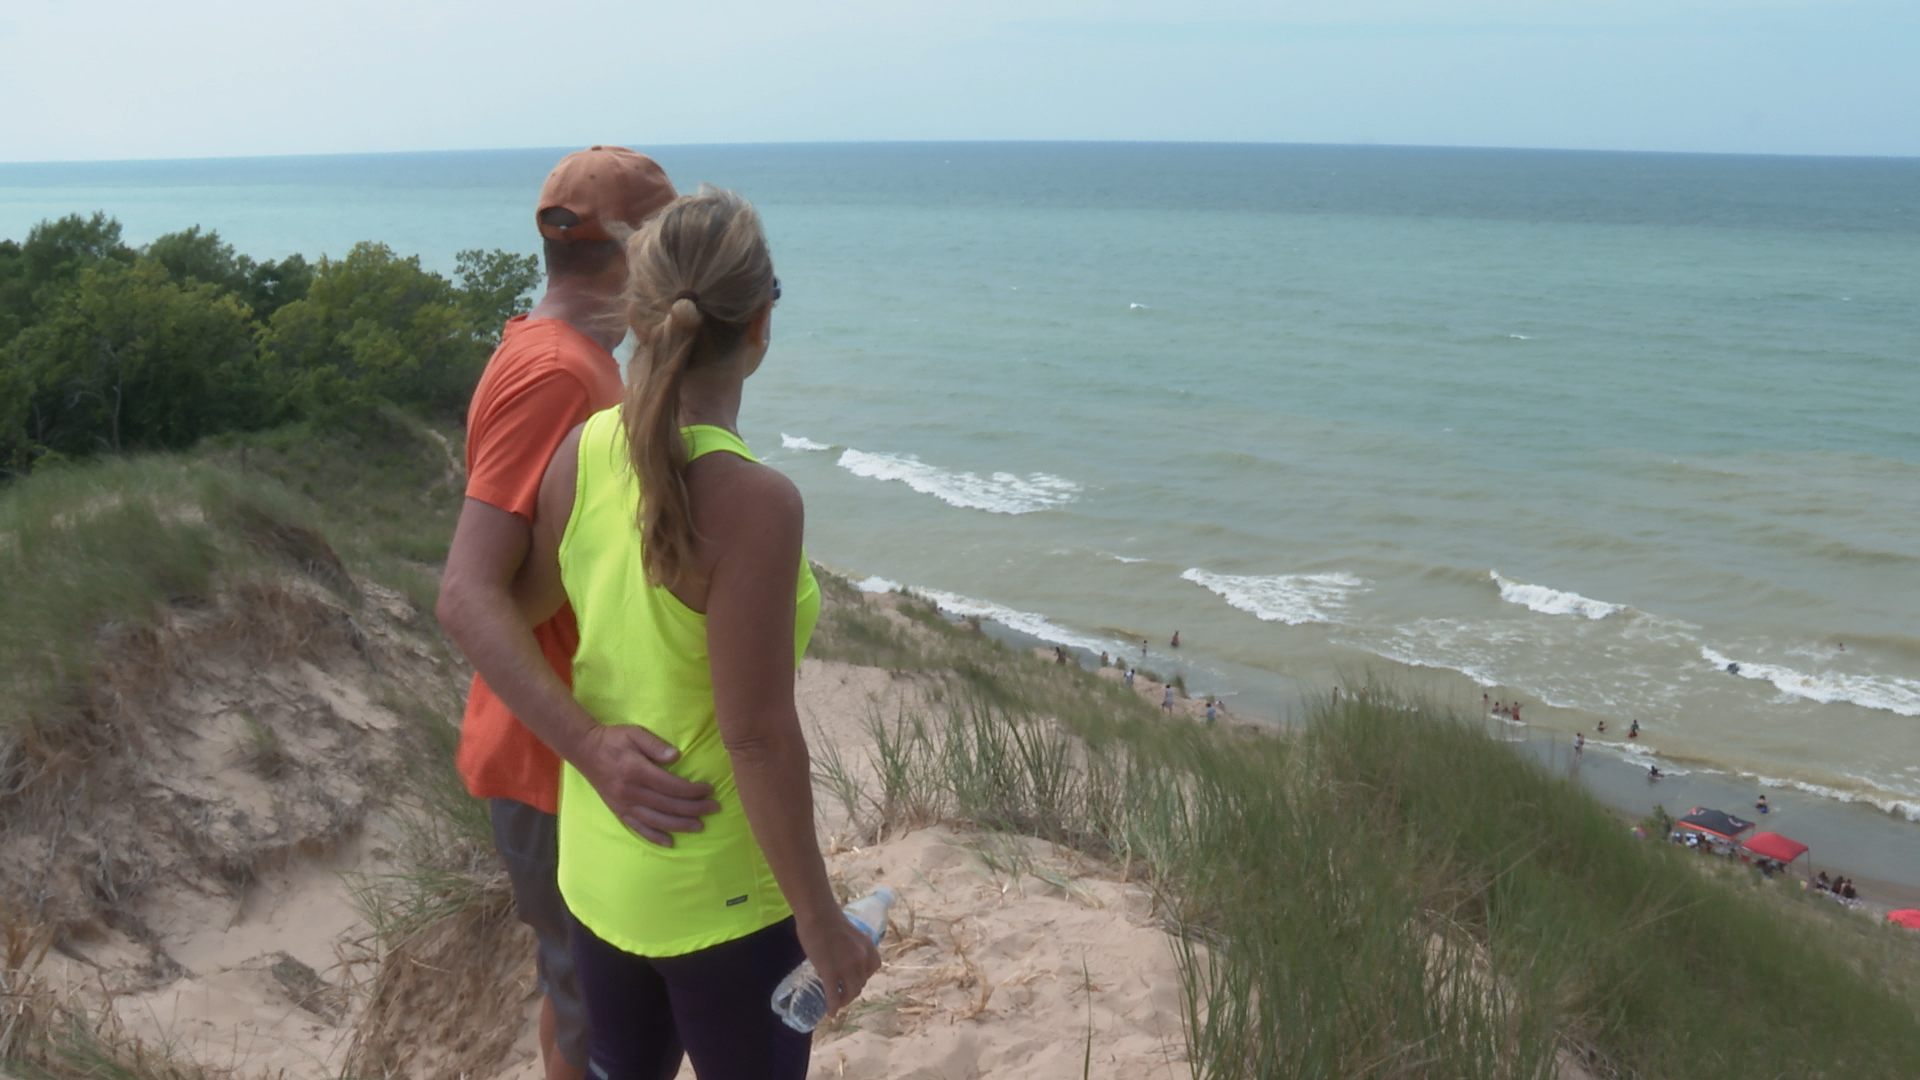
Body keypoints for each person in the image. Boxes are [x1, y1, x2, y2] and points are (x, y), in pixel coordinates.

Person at [512, 187, 879, 1080]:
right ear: (761, 321)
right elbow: (755, 736)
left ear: (638, 315)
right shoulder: (757, 502)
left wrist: (584, 740)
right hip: (719, 897)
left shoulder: (583, 450)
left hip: (600, 872)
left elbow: (513, 611)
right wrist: (821, 920)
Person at [436, 146, 716, 1080]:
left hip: (558, 758)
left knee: (587, 1010)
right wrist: (592, 747)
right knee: (603, 1020)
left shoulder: (561, 355)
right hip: (554, 759)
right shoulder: (558, 374)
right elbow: (467, 595)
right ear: (637, 254)